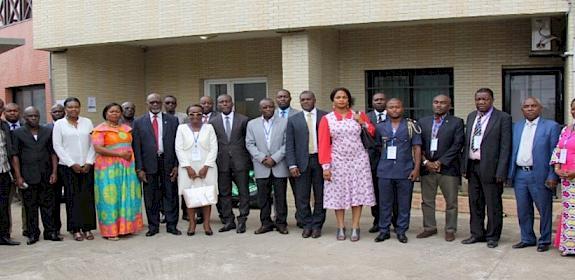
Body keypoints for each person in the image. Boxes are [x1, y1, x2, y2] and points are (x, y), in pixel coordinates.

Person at [318, 87, 376, 242]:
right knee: (339, 195)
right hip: (338, 161)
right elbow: (323, 144)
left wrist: (363, 123)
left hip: (359, 161)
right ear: (333, 100)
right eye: (338, 97)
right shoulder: (327, 119)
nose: (342, 100)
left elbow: (372, 132)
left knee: (358, 195)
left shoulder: (358, 115)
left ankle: (356, 226)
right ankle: (340, 226)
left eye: (344, 97)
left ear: (349, 99)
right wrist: (326, 166)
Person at [507, 97, 559, 253]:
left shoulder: (551, 126)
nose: (530, 109)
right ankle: (527, 238)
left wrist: (553, 175)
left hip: (541, 175)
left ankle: (544, 239)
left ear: (540, 108)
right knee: (523, 209)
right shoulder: (517, 126)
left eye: (533, 106)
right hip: (520, 174)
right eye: (526, 106)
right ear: (522, 109)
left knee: (544, 209)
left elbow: (555, 153)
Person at [461, 88, 511, 249]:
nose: (481, 102)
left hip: (491, 168)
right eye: (478, 99)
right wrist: (464, 166)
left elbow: (505, 147)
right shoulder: (471, 117)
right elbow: (467, 143)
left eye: (485, 99)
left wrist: (501, 171)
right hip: (472, 166)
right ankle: (477, 233)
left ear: (492, 100)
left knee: (493, 204)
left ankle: (492, 236)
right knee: (475, 202)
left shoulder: (503, 118)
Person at [92, 103, 144, 240]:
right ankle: (111, 231)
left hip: (127, 167)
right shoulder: (100, 130)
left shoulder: (127, 129)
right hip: (108, 169)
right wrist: (120, 155)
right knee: (110, 197)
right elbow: (98, 149)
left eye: (117, 111)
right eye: (111, 111)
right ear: (106, 113)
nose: (114, 114)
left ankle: (126, 228)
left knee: (127, 195)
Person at [373, 98, 422, 244]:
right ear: (386, 109)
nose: (394, 110)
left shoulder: (411, 125)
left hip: (405, 170)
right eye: (391, 107)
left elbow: (417, 147)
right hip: (385, 171)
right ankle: (384, 230)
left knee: (404, 203)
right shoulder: (380, 127)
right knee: (384, 203)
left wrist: (417, 168)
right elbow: (378, 146)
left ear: (402, 108)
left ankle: (401, 231)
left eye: (397, 107)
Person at [133, 93, 181, 236]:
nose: (155, 105)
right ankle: (153, 226)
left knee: (170, 194)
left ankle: (172, 225)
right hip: (148, 164)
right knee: (150, 196)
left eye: (158, 102)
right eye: (152, 102)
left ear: (162, 104)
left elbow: (177, 144)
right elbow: (137, 147)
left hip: (168, 161)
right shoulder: (139, 122)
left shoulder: (173, 120)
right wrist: (139, 168)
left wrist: (176, 165)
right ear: (146, 103)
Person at [417, 94, 464, 242]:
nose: (439, 105)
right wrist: (425, 162)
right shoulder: (423, 122)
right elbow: (418, 145)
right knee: (427, 200)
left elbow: (457, 145)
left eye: (443, 103)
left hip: (448, 169)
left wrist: (440, 162)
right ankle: (429, 227)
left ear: (449, 106)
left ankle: (450, 229)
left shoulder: (457, 122)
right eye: (436, 102)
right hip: (427, 168)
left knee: (451, 202)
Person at [11, 106, 61, 245]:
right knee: (30, 207)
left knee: (48, 205)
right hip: (28, 175)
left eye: (36, 116)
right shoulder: (17, 133)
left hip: (46, 174)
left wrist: (54, 172)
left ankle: (50, 232)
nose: (33, 118)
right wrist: (18, 176)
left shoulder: (47, 131)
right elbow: (15, 156)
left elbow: (53, 153)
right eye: (30, 116)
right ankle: (33, 234)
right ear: (25, 118)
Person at [52, 97, 98, 241]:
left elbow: (93, 144)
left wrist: (89, 162)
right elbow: (57, 146)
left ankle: (88, 228)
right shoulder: (60, 124)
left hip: (87, 166)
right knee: (72, 198)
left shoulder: (87, 122)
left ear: (80, 108)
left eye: (76, 107)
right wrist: (72, 163)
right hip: (67, 167)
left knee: (87, 197)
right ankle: (75, 228)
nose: (73, 109)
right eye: (70, 107)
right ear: (65, 109)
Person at [286, 91, 327, 238]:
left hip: (321, 161)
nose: (305, 102)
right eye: (302, 100)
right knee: (302, 196)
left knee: (320, 195)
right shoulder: (293, 120)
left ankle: (317, 225)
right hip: (301, 162)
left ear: (314, 100)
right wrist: (291, 164)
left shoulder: (325, 116)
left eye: (308, 99)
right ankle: (307, 224)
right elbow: (289, 144)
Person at [209, 94, 252, 234]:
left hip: (241, 161)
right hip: (221, 162)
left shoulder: (244, 120)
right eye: (221, 102)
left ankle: (242, 219)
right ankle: (229, 220)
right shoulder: (213, 122)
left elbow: (248, 141)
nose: (225, 104)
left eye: (227, 101)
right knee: (224, 193)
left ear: (232, 103)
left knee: (243, 192)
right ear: (218, 105)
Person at [246, 98, 289, 235]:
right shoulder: (252, 124)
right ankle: (265, 223)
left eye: (271, 107)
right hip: (261, 166)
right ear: (260, 109)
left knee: (280, 197)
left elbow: (287, 143)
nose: (268, 109)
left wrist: (275, 158)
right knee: (263, 198)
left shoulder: (284, 122)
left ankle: (281, 223)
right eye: (265, 107)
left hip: (279, 165)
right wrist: (262, 158)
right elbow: (249, 144)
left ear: (274, 108)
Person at [175, 104, 218, 236]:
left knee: (207, 195)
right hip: (187, 167)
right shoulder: (181, 128)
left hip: (207, 166)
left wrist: (206, 166)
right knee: (190, 196)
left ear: (203, 115)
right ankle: (192, 223)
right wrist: (187, 167)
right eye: (192, 114)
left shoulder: (209, 128)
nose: (195, 116)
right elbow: (179, 148)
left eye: (199, 114)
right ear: (187, 115)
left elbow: (214, 148)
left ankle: (206, 224)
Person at [366, 92, 399, 234]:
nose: (379, 101)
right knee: (376, 193)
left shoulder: (394, 116)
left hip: (393, 161)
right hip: (373, 162)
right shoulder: (366, 118)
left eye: (382, 99)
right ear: (372, 102)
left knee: (394, 193)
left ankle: (396, 221)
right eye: (376, 100)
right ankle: (378, 221)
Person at [550, 98, 575, 256]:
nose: (574, 111)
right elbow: (558, 149)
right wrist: (557, 168)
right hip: (566, 178)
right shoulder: (567, 129)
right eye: (573, 108)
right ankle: (568, 245)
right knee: (569, 211)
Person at [275, 89, 303, 227]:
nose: (282, 99)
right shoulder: (270, 114)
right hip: (276, 160)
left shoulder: (298, 114)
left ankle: (301, 218)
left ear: (290, 98)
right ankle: (280, 220)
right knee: (279, 193)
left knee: (299, 192)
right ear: (276, 99)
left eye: (285, 96)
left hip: (295, 159)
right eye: (280, 97)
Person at [0, 99, 19, 246]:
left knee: (3, 206)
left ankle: (4, 236)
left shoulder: (4, 125)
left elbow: (11, 151)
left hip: (4, 172)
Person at [45, 103, 66, 236]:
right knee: (54, 200)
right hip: (53, 169)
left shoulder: (69, 126)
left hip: (69, 167)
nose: (57, 113)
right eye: (54, 111)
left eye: (60, 111)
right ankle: (55, 228)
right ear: (50, 113)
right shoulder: (46, 128)